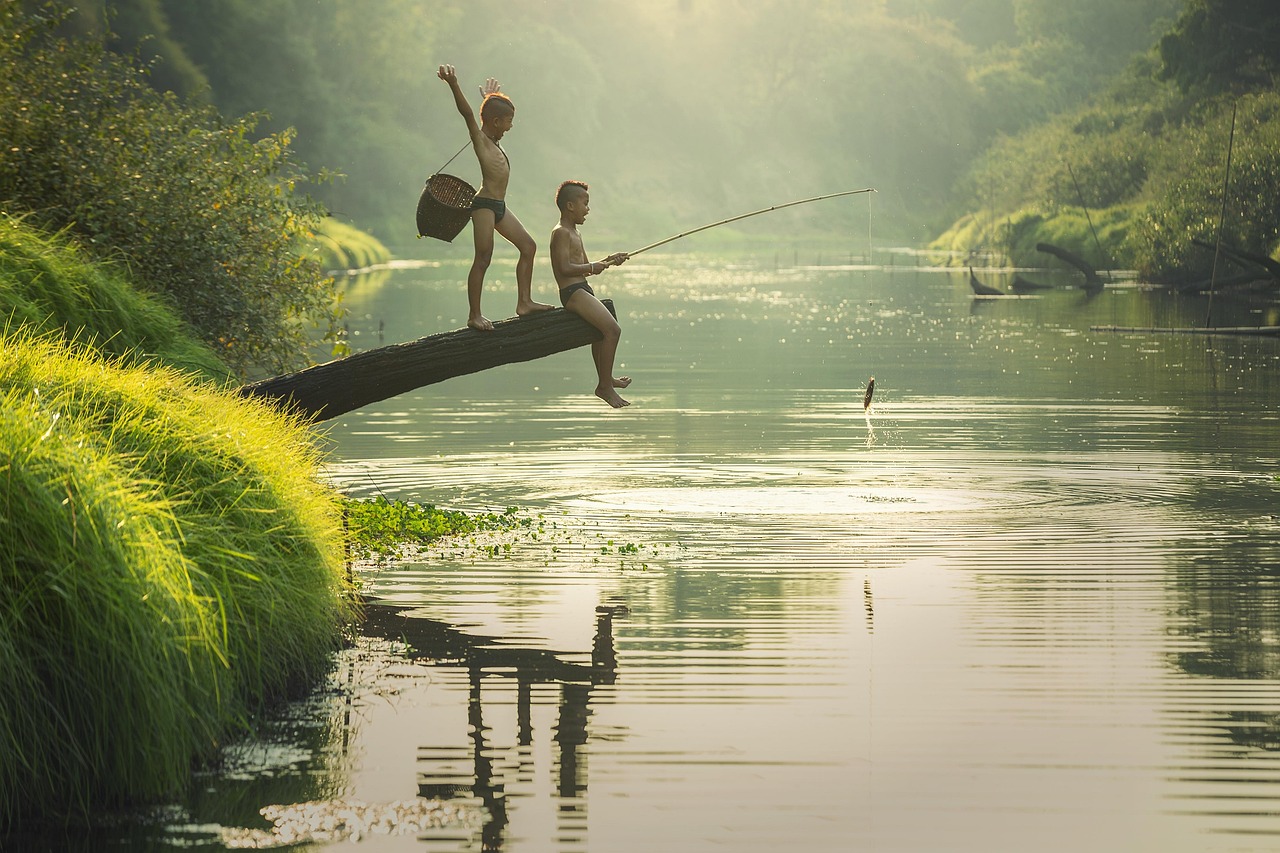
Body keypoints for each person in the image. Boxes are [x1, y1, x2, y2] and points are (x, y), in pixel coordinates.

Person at [437, 64, 551, 331]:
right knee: (484, 257)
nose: (510, 127)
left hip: (500, 206)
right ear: (497, 122)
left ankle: (524, 302)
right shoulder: (481, 140)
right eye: (508, 122)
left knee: (529, 247)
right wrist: (454, 83)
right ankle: (474, 315)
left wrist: (489, 99)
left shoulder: (495, 137)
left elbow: (491, 117)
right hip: (484, 206)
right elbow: (468, 115)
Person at [550, 180, 631, 407]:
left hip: (582, 288)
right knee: (613, 330)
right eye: (585, 203)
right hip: (572, 292)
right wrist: (592, 267)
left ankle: (606, 379)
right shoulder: (561, 233)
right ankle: (604, 386)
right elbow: (563, 268)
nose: (588, 209)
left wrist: (609, 261)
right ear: (570, 206)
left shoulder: (575, 232)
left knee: (600, 332)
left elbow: (586, 265)